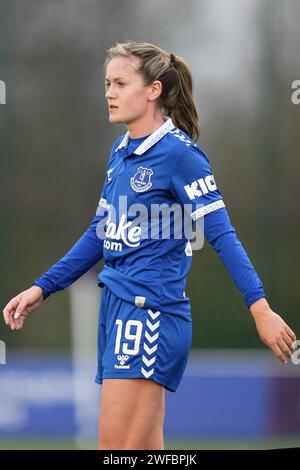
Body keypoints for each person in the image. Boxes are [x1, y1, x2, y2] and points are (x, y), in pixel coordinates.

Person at [3, 41, 297, 450]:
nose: (109, 92)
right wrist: (43, 286)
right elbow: (100, 233)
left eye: (121, 83)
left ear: (153, 90)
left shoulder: (181, 156)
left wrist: (259, 307)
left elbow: (222, 235)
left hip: (149, 315)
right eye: (107, 83)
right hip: (117, 310)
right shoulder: (121, 152)